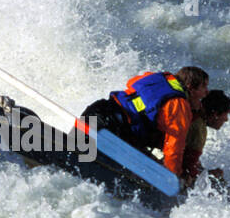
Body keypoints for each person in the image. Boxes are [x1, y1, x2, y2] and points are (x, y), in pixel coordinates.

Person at [81, 66, 209, 180]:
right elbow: (173, 148)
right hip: (113, 128)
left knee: (77, 153)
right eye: (204, 86)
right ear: (190, 87)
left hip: (97, 110)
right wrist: (172, 179)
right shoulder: (179, 106)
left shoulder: (156, 77)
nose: (206, 92)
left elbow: (132, 82)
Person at [183, 89, 230, 188]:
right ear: (215, 115)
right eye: (226, 114)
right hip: (170, 167)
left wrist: (205, 171)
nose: (226, 119)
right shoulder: (199, 129)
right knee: (220, 184)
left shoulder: (191, 114)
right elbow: (189, 166)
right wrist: (208, 175)